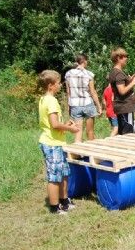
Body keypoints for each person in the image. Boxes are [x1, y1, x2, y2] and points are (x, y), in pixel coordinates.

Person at [37, 70, 80, 214]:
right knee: (55, 176)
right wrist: (70, 129)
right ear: (50, 85)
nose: (60, 85)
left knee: (64, 173)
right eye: (58, 83)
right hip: (52, 143)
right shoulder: (51, 101)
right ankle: (55, 207)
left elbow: (53, 123)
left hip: (57, 142)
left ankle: (64, 201)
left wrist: (65, 124)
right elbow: (54, 125)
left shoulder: (44, 99)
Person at [65, 54, 102, 142]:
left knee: (78, 132)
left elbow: (68, 92)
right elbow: (93, 92)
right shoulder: (89, 74)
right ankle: (91, 154)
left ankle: (77, 154)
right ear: (84, 61)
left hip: (75, 105)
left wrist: (69, 107)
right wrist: (99, 107)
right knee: (90, 132)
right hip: (87, 103)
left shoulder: (68, 74)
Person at [108, 47, 135, 135]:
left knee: (122, 132)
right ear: (118, 58)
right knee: (128, 133)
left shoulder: (114, 72)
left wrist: (128, 80)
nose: (126, 58)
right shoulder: (119, 73)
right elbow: (122, 91)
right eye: (124, 56)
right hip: (125, 107)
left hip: (121, 107)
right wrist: (133, 82)